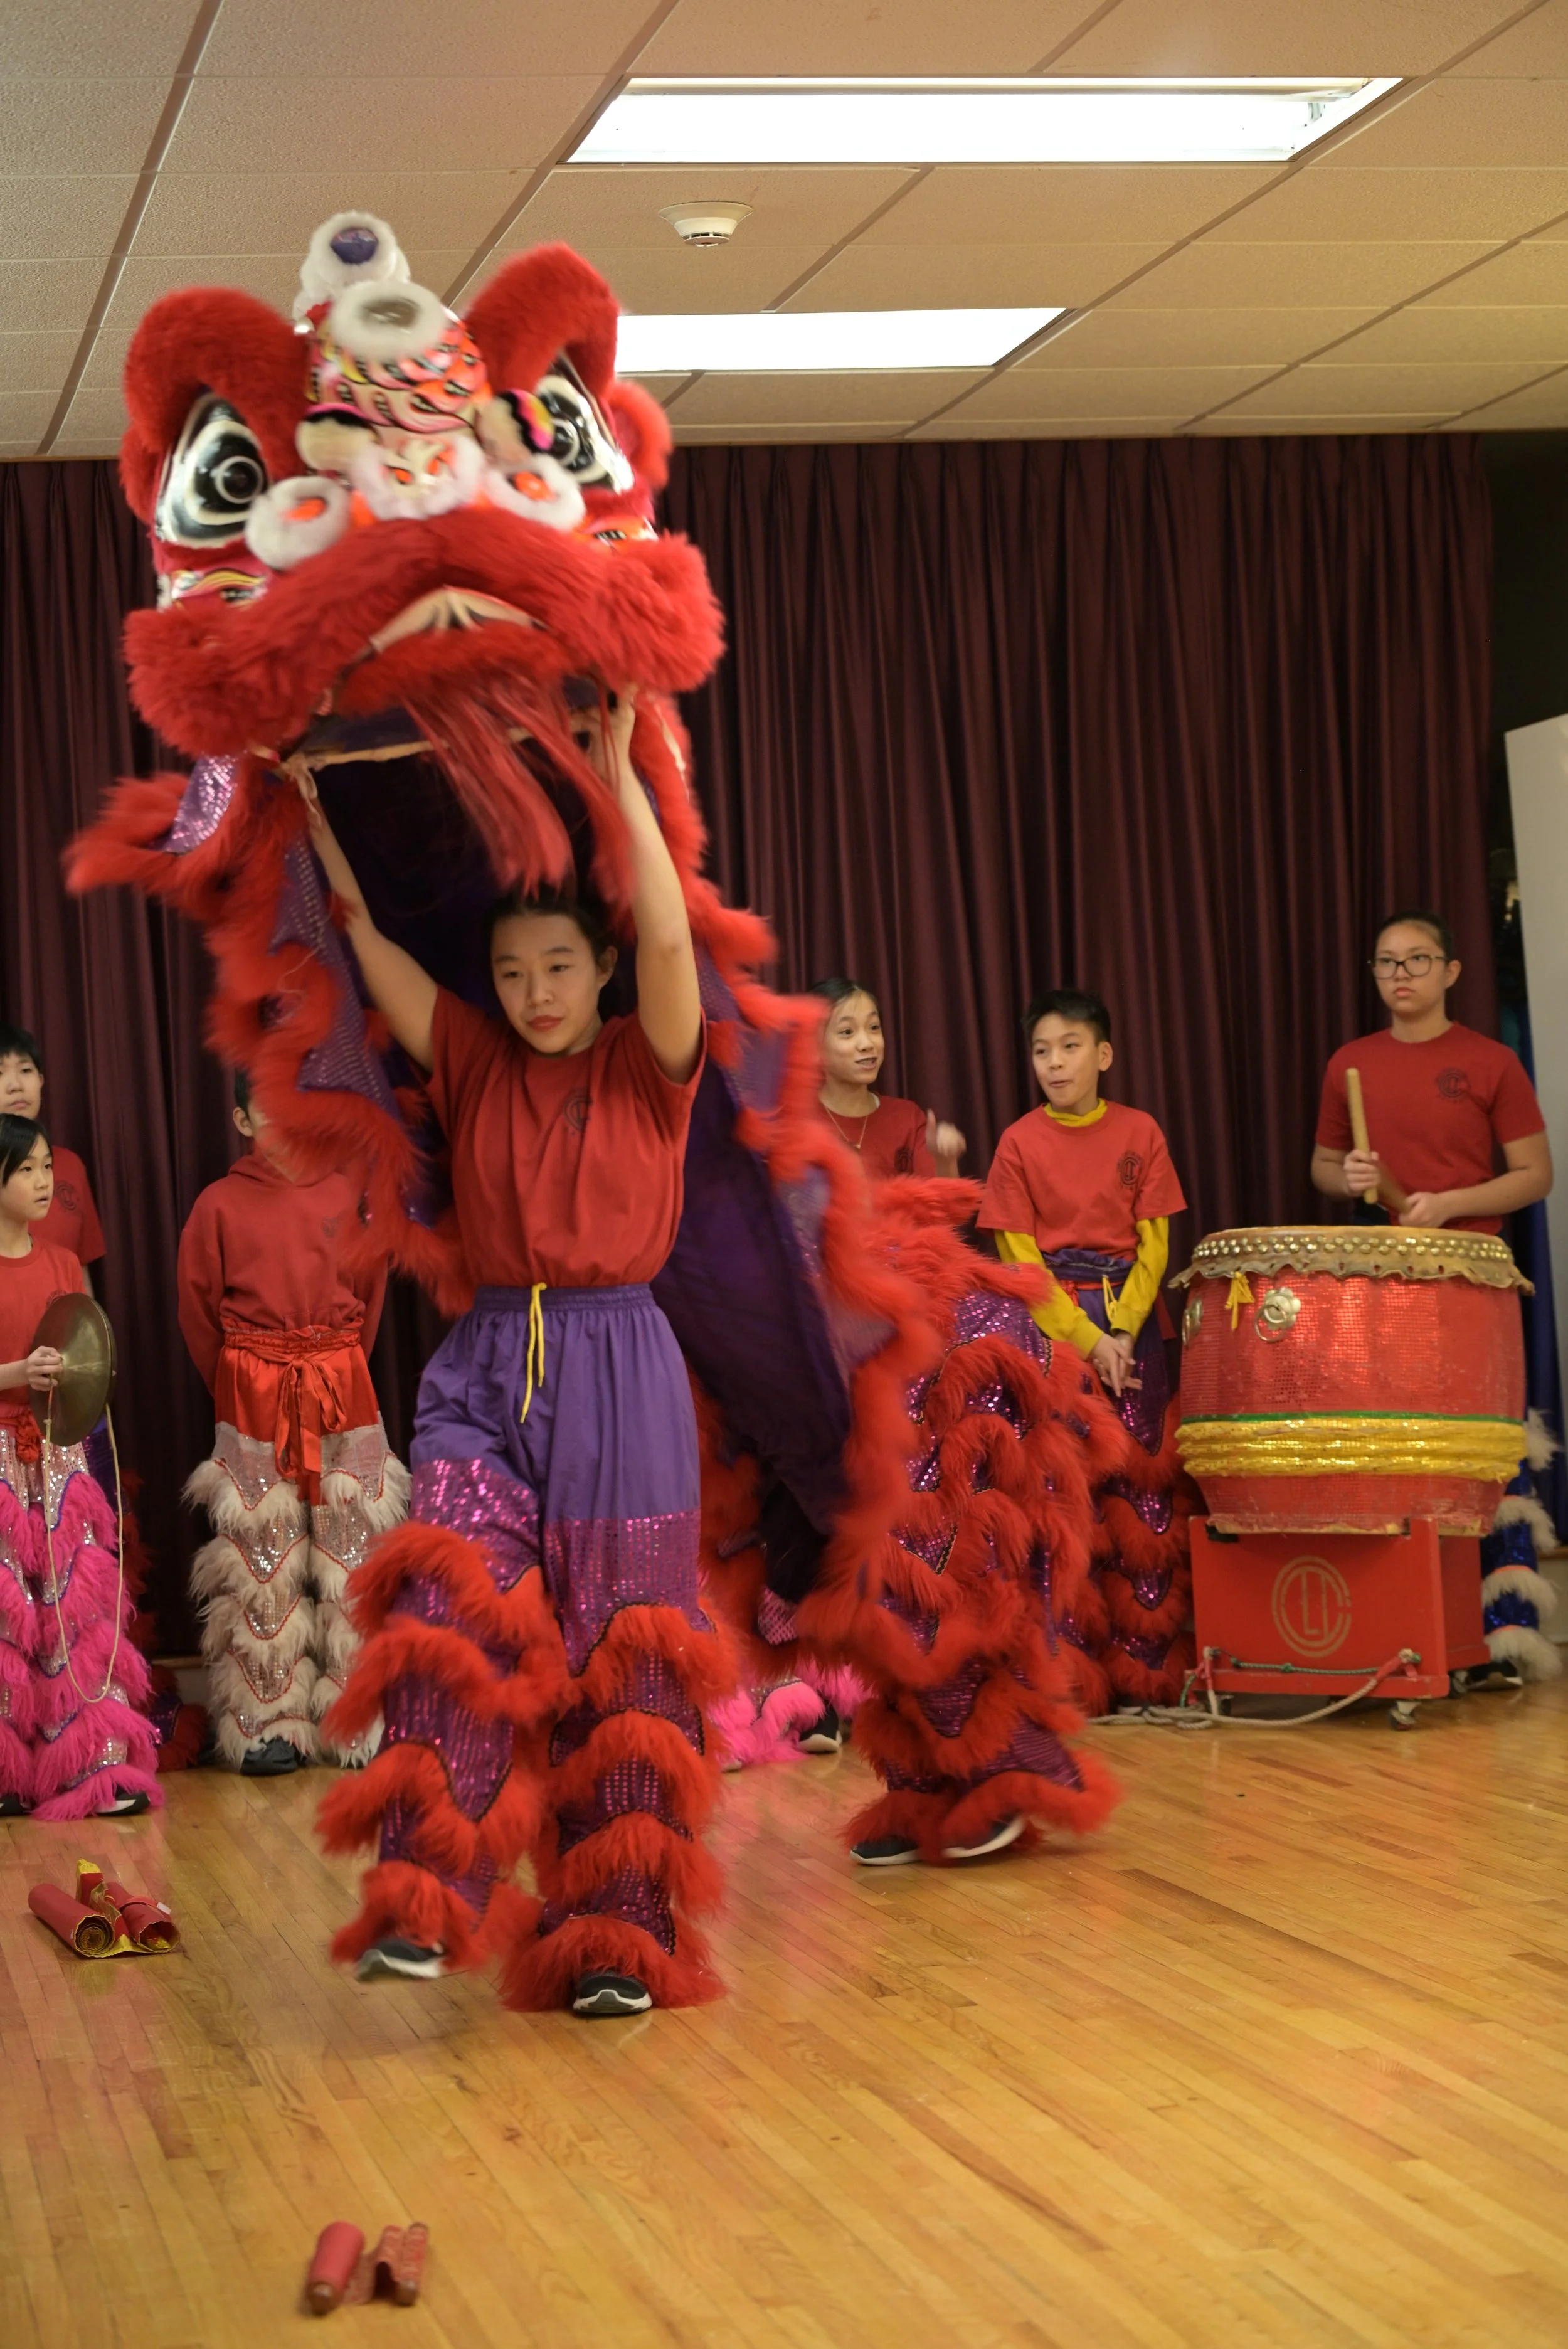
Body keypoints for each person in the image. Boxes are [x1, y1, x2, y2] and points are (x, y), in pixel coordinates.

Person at [308, 688, 733, 2020]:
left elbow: (665, 926)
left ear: (595, 970)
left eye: (555, 966)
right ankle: (423, 1902)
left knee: (624, 1650)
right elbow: (367, 929)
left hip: (621, 1367)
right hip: (484, 1364)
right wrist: (308, 800)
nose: (532, 992)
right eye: (510, 973)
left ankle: (616, 1930)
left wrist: (616, 782)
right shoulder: (473, 1060)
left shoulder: (646, 1061)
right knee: (446, 1619)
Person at [177, 1073, 407, 1776]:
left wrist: (336, 1361)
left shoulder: (344, 1195)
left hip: (341, 1381)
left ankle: (356, 1720)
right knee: (261, 1557)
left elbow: (369, 1292)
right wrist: (244, 1376)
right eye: (269, 1114)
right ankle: (264, 1723)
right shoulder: (217, 1205)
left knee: (352, 1553)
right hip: (253, 1388)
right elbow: (197, 1309)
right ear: (243, 1119)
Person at [978, 988, 1193, 1710]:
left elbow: (1155, 1240)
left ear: (1102, 1054)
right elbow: (1018, 1259)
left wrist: (1124, 1329)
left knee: (1141, 1489)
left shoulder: (1139, 1130)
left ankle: (1148, 1670)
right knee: (1064, 1497)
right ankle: (1070, 1680)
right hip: (1054, 1327)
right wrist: (1089, 1338)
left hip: (1131, 1321)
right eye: (1041, 1050)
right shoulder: (1018, 1142)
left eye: (1069, 1047)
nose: (1054, 1062)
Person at [0, 1113, 159, 1818]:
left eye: (45, 1166)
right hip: (2, 1454)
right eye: (27, 1169)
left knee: (73, 1607)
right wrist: (18, 1369)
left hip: (60, 1453)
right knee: (10, 1617)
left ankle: (91, 1768)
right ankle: (9, 1770)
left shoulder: (63, 1264)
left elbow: (91, 1357)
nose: (44, 1181)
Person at [1311, 910, 1552, 1231]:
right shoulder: (1348, 1061)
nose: (1401, 974)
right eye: (1386, 962)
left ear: (1450, 972)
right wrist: (1348, 1181)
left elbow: (1535, 1175)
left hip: (1469, 1247)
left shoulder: (1495, 1061)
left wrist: (1447, 1205)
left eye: (1418, 959)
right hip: (1376, 1248)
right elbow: (1324, 1164)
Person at [813, 977, 966, 1180]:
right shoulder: (794, 1124)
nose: (867, 1043)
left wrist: (945, 1161)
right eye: (847, 1032)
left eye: (874, 1027)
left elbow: (946, 1209)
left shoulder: (908, 1119)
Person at [0, 1024, 105, 1286]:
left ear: (41, 1081)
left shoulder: (70, 1165)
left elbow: (80, 1265)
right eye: (0, 1073)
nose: (15, 1086)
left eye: (26, 1070)